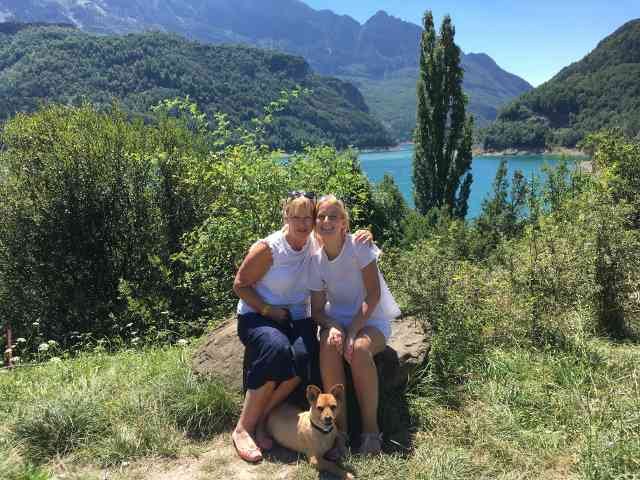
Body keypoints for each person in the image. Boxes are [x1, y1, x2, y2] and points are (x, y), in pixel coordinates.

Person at [231, 191, 372, 463]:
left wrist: (366, 234)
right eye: (295, 216)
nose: (302, 223)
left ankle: (264, 419)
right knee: (276, 348)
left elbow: (341, 236)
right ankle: (243, 428)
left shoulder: (313, 241)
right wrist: (267, 310)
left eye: (307, 217)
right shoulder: (269, 248)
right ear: (286, 216)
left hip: (297, 318)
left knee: (305, 357)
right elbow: (239, 285)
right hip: (258, 315)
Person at [308, 195, 400, 456]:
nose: (327, 221)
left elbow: (373, 295)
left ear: (343, 223)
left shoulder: (359, 246)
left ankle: (371, 433)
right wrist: (334, 326)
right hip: (337, 320)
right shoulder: (315, 260)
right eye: (321, 216)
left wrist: (352, 331)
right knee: (327, 346)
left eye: (333, 216)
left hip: (371, 320)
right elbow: (316, 310)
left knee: (358, 350)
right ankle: (340, 433)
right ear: (316, 223)